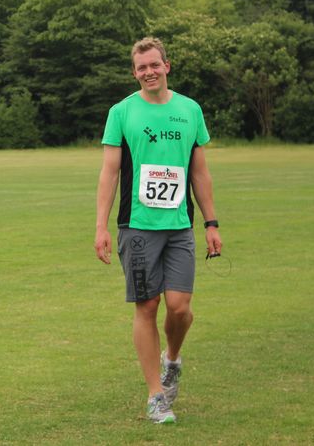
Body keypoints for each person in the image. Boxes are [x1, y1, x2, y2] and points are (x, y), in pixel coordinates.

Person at [94, 37, 222, 424]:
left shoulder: (190, 110)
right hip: (137, 226)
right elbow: (110, 172)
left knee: (180, 309)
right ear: (135, 73)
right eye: (141, 67)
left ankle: (172, 359)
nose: (149, 71)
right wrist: (100, 225)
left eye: (154, 64)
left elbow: (199, 172)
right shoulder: (122, 112)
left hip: (180, 225)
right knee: (147, 306)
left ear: (167, 65)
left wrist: (211, 223)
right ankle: (155, 395)